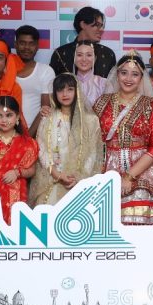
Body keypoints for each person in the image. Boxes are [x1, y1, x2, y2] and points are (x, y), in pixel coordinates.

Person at [94, 53, 153, 225]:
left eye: (135, 74)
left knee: (140, 228)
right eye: (124, 73)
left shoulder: (150, 105)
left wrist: (129, 177)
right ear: (116, 74)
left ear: (141, 78)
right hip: (107, 172)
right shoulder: (101, 103)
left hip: (143, 174)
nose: (128, 79)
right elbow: (90, 137)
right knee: (108, 226)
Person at [29, 74, 104, 206]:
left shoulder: (90, 121)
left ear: (77, 91)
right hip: (52, 180)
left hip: (80, 183)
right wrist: (56, 174)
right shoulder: (48, 118)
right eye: (60, 90)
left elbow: (92, 153)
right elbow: (41, 149)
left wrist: (79, 178)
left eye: (70, 89)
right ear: (55, 93)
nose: (65, 94)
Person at [49, 5, 116, 78]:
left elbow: (113, 83)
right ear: (83, 25)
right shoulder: (60, 53)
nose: (101, 29)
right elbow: (53, 83)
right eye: (97, 25)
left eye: (102, 26)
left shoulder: (107, 54)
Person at [13, 25, 55, 136]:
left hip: (35, 135)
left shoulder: (46, 71)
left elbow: (45, 110)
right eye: (22, 43)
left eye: (31, 44)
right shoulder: (5, 69)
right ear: (15, 44)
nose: (26, 47)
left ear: (37, 46)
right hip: (6, 134)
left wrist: (27, 138)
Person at [73, 40, 108, 106]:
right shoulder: (67, 83)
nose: (84, 59)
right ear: (74, 58)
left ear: (95, 58)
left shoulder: (103, 84)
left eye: (89, 55)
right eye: (79, 55)